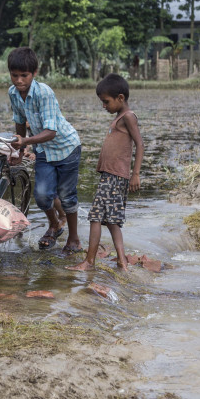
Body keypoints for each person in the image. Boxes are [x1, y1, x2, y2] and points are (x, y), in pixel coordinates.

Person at [6, 47, 82, 252]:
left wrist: (26, 141)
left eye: (24, 75)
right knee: (41, 194)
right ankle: (55, 225)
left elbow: (51, 132)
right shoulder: (13, 93)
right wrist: (19, 152)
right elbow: (19, 123)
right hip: (45, 151)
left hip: (66, 148)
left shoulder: (44, 93)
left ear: (34, 73)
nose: (19, 80)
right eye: (15, 75)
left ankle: (73, 238)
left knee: (66, 195)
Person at [68, 74, 144, 272]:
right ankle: (122, 261)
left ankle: (89, 262)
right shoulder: (120, 117)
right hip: (112, 175)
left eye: (106, 102)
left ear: (120, 98)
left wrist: (136, 174)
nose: (104, 106)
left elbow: (140, 143)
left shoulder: (128, 116)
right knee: (111, 221)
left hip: (114, 176)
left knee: (95, 217)